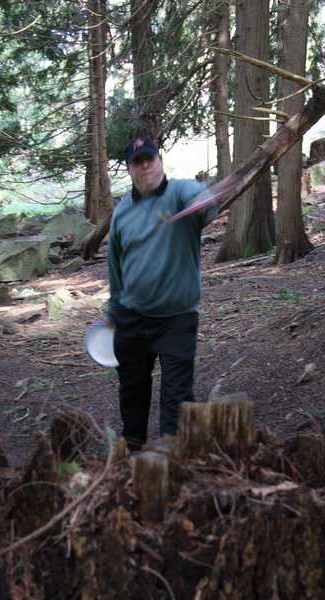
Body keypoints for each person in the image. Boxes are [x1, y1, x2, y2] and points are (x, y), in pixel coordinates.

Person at [107, 136, 217, 452]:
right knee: (132, 389)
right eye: (137, 162)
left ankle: (173, 454)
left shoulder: (180, 193)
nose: (145, 167)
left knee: (177, 394)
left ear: (159, 161)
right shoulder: (122, 212)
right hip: (132, 317)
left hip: (176, 318)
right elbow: (115, 265)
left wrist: (203, 198)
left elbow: (203, 203)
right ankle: (133, 451)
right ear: (129, 170)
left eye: (149, 159)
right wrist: (113, 310)